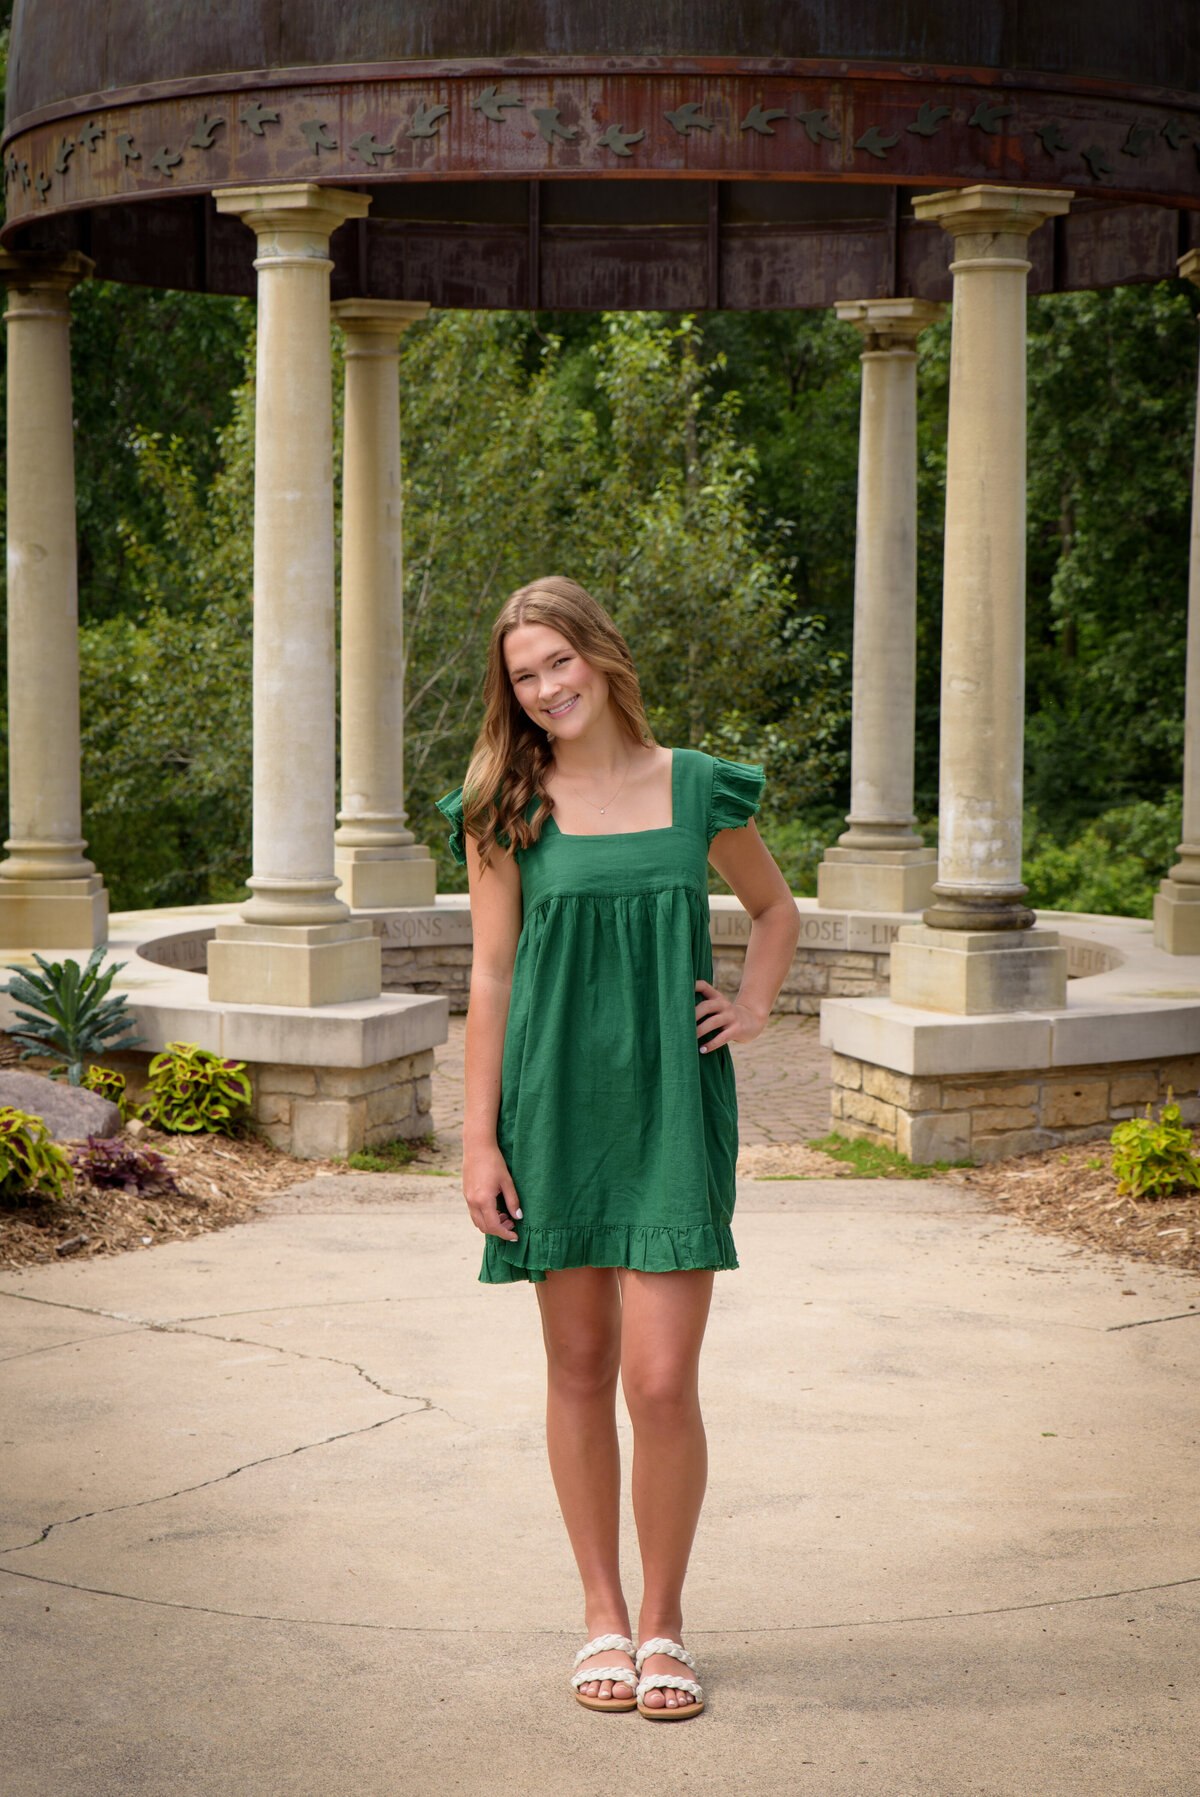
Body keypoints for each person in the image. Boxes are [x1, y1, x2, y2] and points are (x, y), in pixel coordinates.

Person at [437, 576, 800, 1720]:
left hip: (671, 1109)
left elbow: (777, 910)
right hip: (554, 1112)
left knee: (661, 1381)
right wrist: (477, 1139)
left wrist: (751, 1006)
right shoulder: (505, 803)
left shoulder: (697, 787)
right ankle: (602, 1614)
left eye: (558, 663)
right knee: (582, 1370)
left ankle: (666, 1625)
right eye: (524, 677)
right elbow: (489, 974)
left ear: (601, 654)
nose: (545, 690)